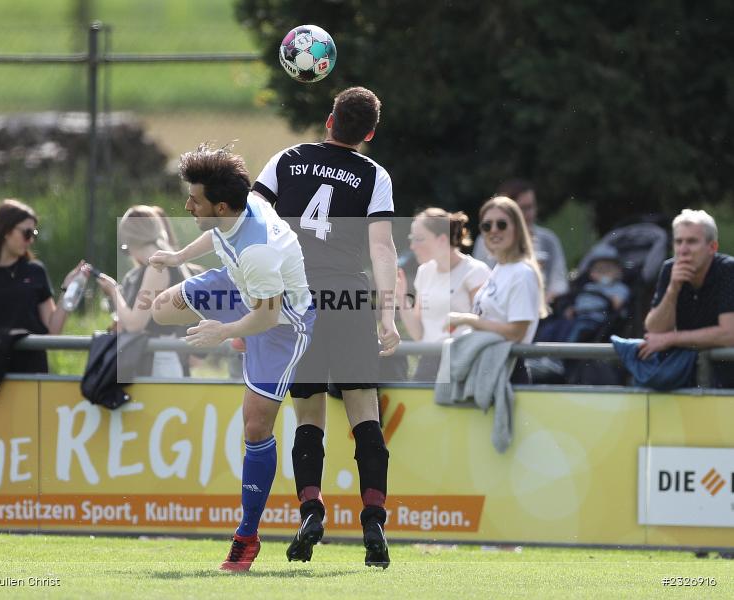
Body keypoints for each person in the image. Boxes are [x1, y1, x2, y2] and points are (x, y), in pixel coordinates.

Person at [251, 86, 400, 568]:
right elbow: (382, 249)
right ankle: (373, 518)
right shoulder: (374, 175)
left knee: (308, 414)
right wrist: (388, 316)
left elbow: (251, 223)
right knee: (364, 414)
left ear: (329, 119)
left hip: (297, 299)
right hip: (350, 298)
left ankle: (311, 510)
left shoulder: (286, 159)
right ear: (370, 134)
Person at [148, 144, 314, 572]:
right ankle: (237, 336)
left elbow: (269, 314)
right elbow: (217, 233)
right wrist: (180, 257)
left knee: (255, 426)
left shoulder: (258, 250)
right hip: (242, 289)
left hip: (281, 324)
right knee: (161, 308)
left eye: (195, 200)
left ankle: (247, 535)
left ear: (220, 205)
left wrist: (224, 331)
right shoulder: (239, 207)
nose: (187, 205)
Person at [0, 199, 88, 374]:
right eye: (27, 233)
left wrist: (68, 289)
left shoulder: (35, 271)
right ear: (5, 231)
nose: (31, 240)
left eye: (34, 233)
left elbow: (53, 331)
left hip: (30, 374)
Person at [451, 196, 548, 383]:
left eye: (501, 224)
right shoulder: (500, 268)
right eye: (487, 226)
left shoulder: (522, 273)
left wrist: (467, 319)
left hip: (509, 370)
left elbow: (516, 332)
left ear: (517, 229)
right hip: (489, 365)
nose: (493, 230)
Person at [93, 205, 191, 378]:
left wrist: (113, 290)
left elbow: (135, 324)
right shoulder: (164, 262)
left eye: (125, 248)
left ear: (130, 241)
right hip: (156, 358)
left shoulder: (157, 267)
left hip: (157, 361)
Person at [641, 209, 734, 387]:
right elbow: (655, 330)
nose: (683, 250)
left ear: (712, 247)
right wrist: (672, 290)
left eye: (691, 242)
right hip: (692, 377)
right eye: (678, 242)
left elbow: (729, 334)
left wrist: (672, 339)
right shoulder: (670, 269)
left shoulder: (728, 270)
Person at [395, 208, 490, 381]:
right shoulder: (424, 272)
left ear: (442, 240)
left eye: (419, 239)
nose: (412, 246)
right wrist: (401, 298)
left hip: (463, 365)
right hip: (428, 365)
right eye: (412, 239)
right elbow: (419, 335)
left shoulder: (476, 272)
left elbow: (484, 327)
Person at [473, 179, 568, 303]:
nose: (529, 214)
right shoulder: (487, 239)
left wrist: (542, 304)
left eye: (531, 207)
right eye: (522, 209)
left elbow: (559, 282)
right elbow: (481, 281)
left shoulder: (547, 240)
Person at [565, 244, 630, 342]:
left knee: (578, 330)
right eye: (599, 270)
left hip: (598, 319)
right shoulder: (589, 286)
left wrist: (606, 295)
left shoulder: (619, 288)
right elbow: (581, 302)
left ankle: (566, 354)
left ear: (618, 272)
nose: (603, 273)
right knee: (558, 327)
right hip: (579, 317)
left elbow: (618, 305)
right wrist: (572, 309)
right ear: (592, 273)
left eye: (608, 270)